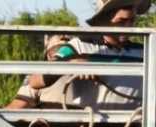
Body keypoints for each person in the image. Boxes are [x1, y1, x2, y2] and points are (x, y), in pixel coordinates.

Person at [8, 0, 149, 110]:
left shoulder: (145, 52)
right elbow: (35, 81)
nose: (129, 27)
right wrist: (72, 64)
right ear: (103, 20)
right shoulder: (77, 47)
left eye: (132, 20)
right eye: (121, 22)